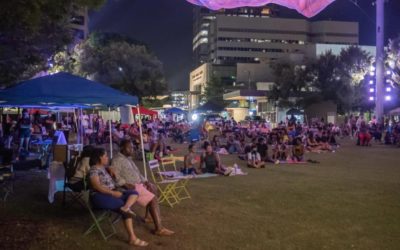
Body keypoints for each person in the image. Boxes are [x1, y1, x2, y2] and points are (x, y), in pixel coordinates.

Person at [111, 139, 175, 236]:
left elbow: (137, 172)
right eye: (129, 148)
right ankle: (159, 229)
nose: (132, 150)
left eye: (132, 147)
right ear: (122, 148)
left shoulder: (128, 158)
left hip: (138, 183)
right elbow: (115, 176)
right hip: (129, 188)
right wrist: (125, 184)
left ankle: (147, 216)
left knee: (154, 189)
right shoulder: (116, 160)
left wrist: (146, 181)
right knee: (152, 198)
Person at [89, 148, 148, 247]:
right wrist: (112, 193)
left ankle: (126, 208)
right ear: (100, 158)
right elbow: (96, 186)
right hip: (99, 196)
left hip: (113, 192)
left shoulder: (102, 167)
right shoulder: (94, 169)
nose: (108, 158)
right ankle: (132, 238)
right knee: (123, 207)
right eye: (106, 156)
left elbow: (107, 168)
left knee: (134, 193)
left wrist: (109, 168)